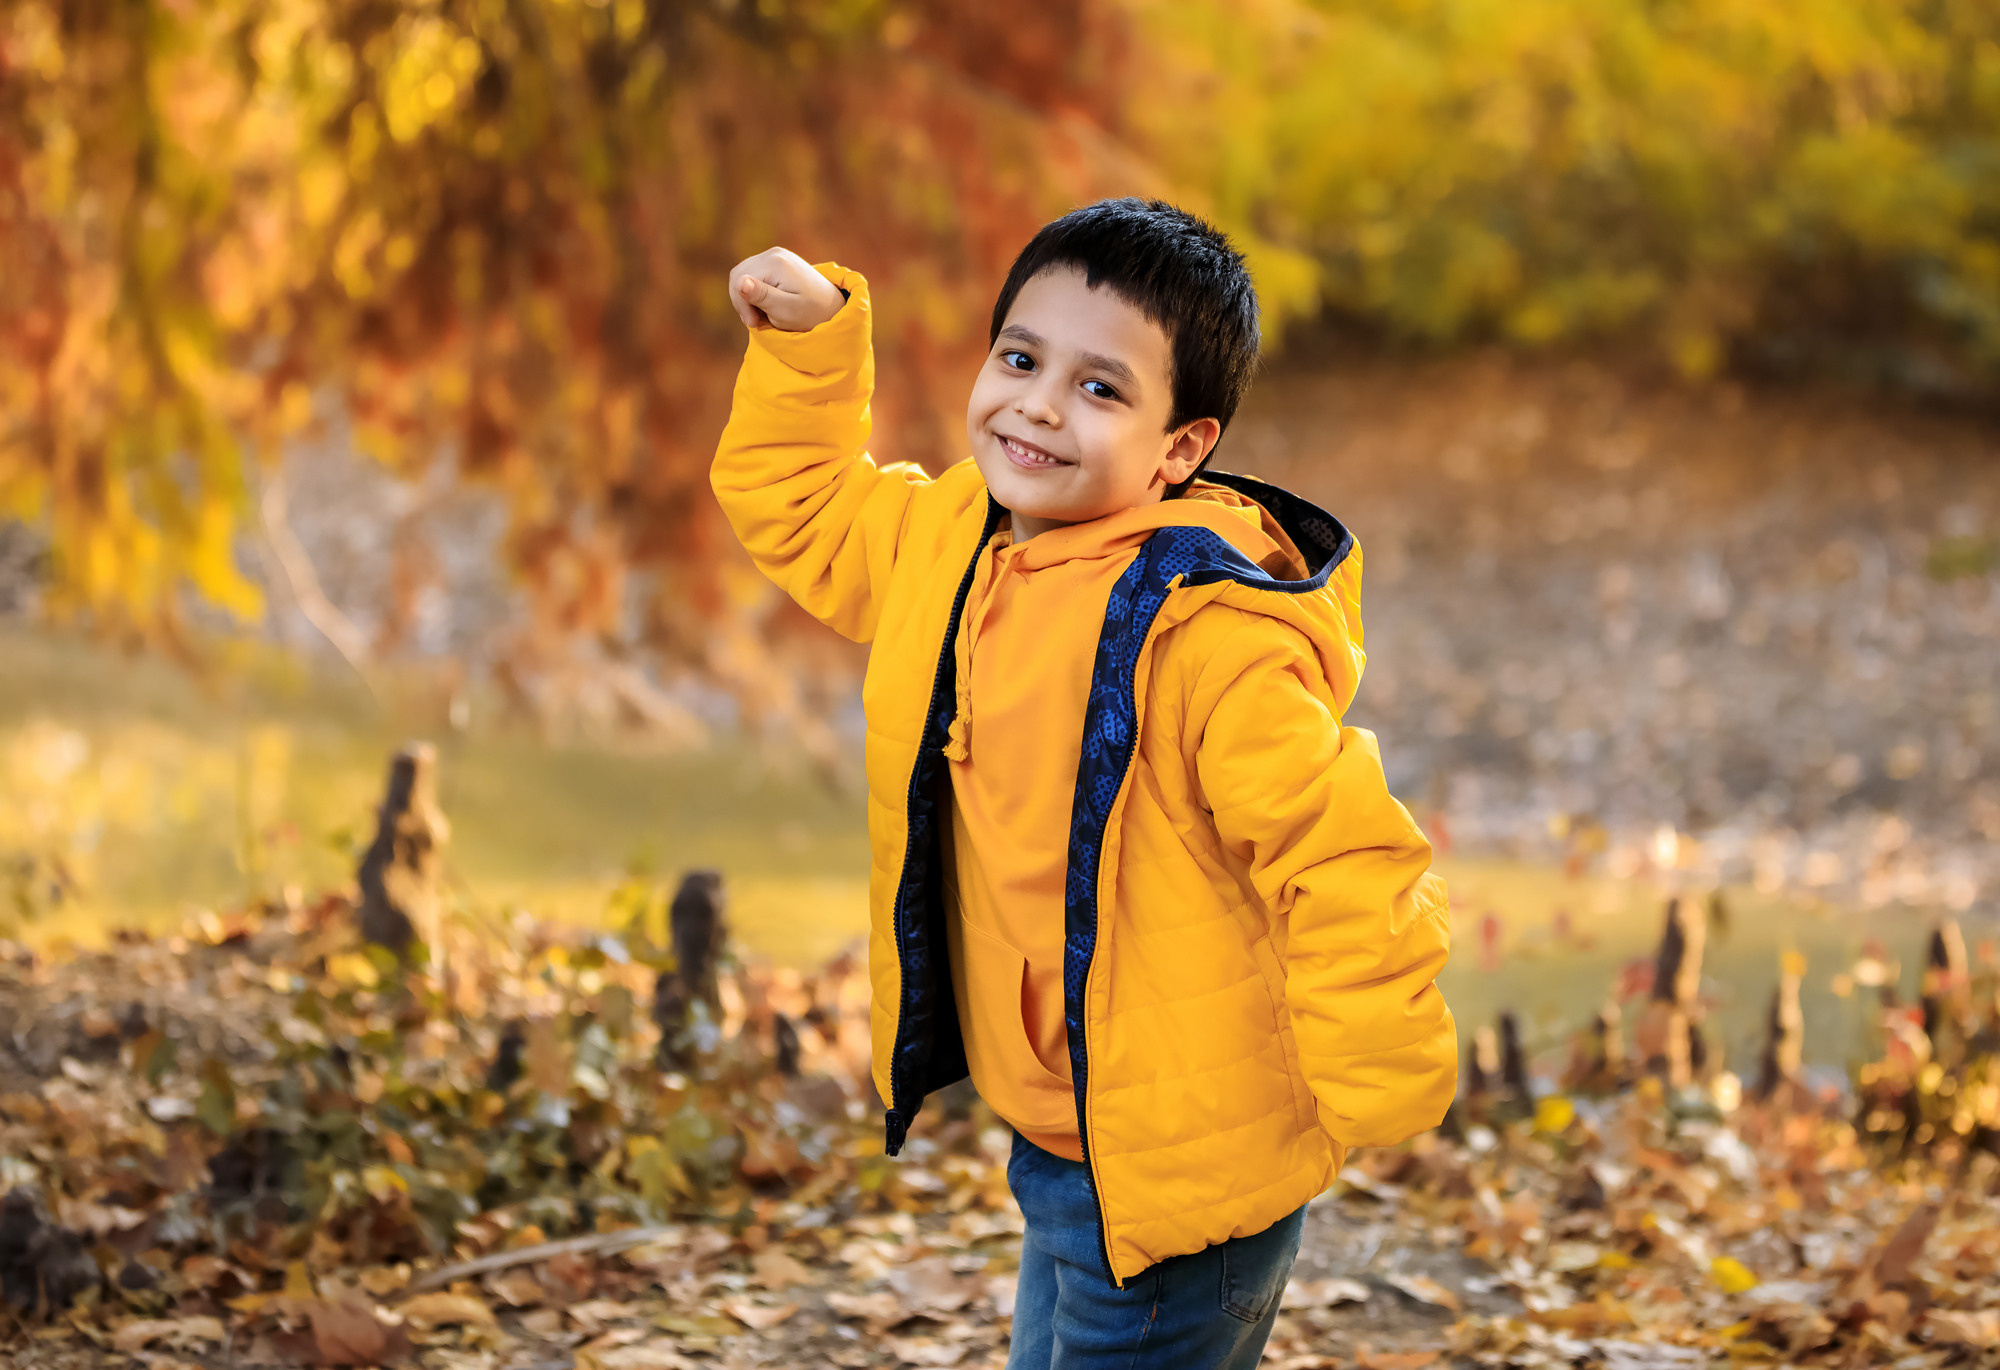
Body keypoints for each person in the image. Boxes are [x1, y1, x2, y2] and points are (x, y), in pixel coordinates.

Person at [712, 198, 1456, 1369]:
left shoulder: (1204, 634)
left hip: (1183, 1169)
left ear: (1178, 449)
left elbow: (1334, 844)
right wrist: (809, 347)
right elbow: (801, 507)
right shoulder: (953, 541)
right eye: (1020, 359)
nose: (1040, 405)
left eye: (1099, 388)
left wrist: (1381, 1067)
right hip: (1067, 1136)